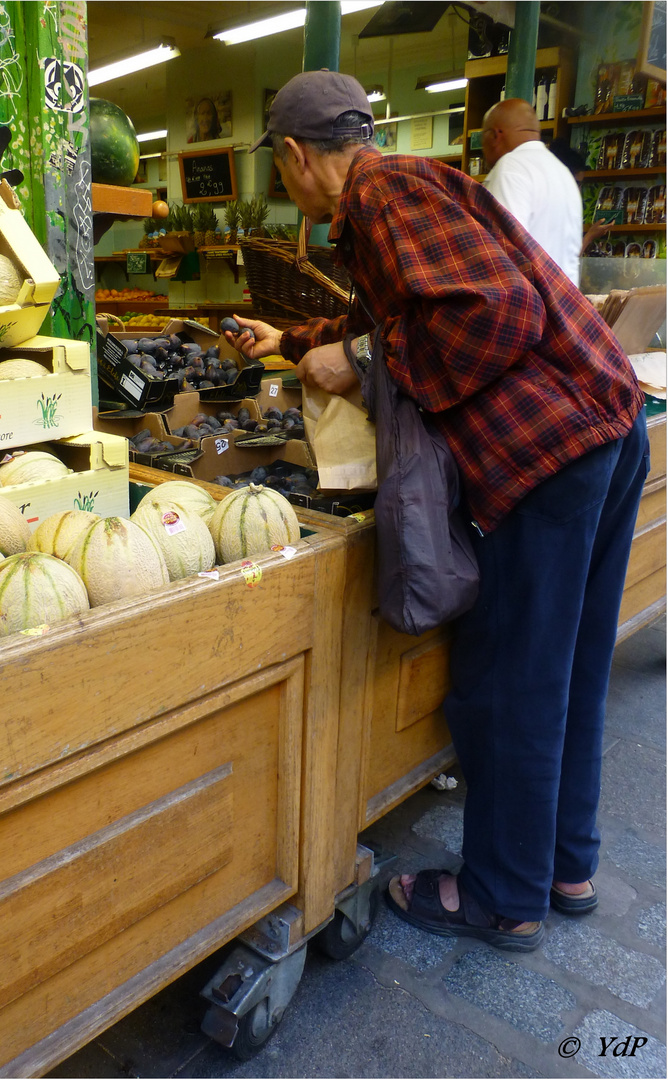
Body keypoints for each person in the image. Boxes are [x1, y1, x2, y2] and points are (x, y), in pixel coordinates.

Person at [226, 69, 648, 952]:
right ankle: (565, 864)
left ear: (298, 156)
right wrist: (299, 342)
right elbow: (404, 310)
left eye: (281, 166)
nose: (284, 183)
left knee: (510, 682)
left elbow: (491, 315)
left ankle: (502, 896)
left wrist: (367, 361)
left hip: (548, 456)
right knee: (566, 669)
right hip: (603, 432)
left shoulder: (378, 202)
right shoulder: (408, 182)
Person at [480, 98, 583, 284]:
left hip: (528, 306)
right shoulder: (563, 172)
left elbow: (502, 254)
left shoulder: (510, 167)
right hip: (564, 303)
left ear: (496, 135)